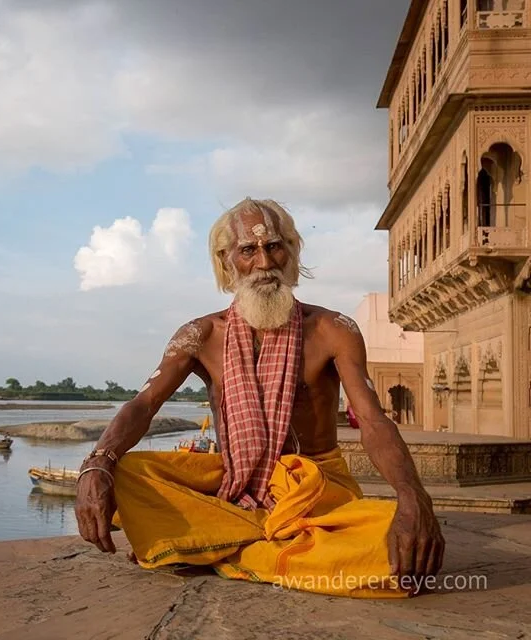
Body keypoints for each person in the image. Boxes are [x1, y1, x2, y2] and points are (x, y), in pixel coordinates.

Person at [74, 198, 444, 598]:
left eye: (275, 246)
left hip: (314, 489)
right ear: (226, 260)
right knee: (127, 472)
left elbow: (372, 420)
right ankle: (266, 540)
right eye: (248, 250)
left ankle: (220, 543)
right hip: (235, 482)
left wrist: (412, 497)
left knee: (394, 550)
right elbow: (143, 405)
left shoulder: (331, 329)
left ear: (291, 251)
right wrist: (97, 464)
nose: (264, 262)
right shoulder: (201, 335)